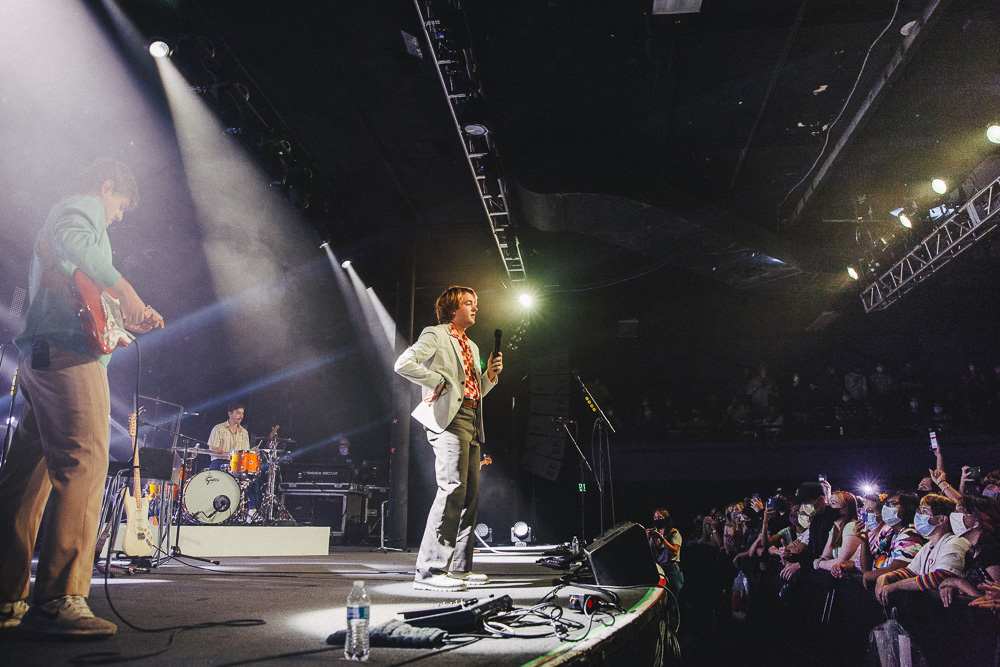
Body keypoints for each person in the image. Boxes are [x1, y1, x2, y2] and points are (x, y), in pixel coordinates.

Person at [0, 159, 161, 637]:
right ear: (107, 187)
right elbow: (78, 244)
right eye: (119, 208)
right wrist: (126, 287)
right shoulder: (79, 207)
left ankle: (7, 596)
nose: (116, 217)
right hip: (68, 359)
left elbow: (78, 283)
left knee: (24, 480)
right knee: (85, 461)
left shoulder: (73, 228)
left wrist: (124, 316)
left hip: (44, 358)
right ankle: (58, 599)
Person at [394, 286, 503, 591]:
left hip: (471, 418)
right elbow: (404, 363)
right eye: (469, 303)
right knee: (452, 487)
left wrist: (490, 378)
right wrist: (436, 380)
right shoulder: (436, 334)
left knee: (469, 495)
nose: (475, 308)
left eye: (476, 303)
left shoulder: (473, 346)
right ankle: (429, 570)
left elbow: (471, 390)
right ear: (453, 309)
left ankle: (458, 568)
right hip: (448, 420)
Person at [875, 494, 970, 604]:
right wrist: (885, 577)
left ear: (941, 519)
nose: (918, 515)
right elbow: (910, 571)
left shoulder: (955, 542)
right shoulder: (929, 546)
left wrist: (895, 586)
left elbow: (940, 577)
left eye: (924, 511)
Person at [938, 495, 1000, 607]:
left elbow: (992, 600)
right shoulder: (971, 553)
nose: (954, 514)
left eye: (960, 509)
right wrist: (956, 588)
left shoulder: (993, 551)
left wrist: (958, 583)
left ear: (977, 520)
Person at [647, 508, 683, 599]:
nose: (657, 520)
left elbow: (674, 551)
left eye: (659, 517)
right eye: (655, 517)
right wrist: (647, 538)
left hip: (671, 569)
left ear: (666, 518)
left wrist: (662, 539)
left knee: (673, 598)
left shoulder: (673, 533)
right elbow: (649, 553)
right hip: (660, 569)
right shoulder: (655, 534)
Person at [205, 402, 251, 470]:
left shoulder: (244, 432)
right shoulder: (218, 428)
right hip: (219, 463)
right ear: (230, 414)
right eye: (238, 413)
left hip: (237, 466)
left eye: (242, 413)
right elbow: (212, 450)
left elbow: (245, 453)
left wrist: (252, 452)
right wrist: (230, 454)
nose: (241, 416)